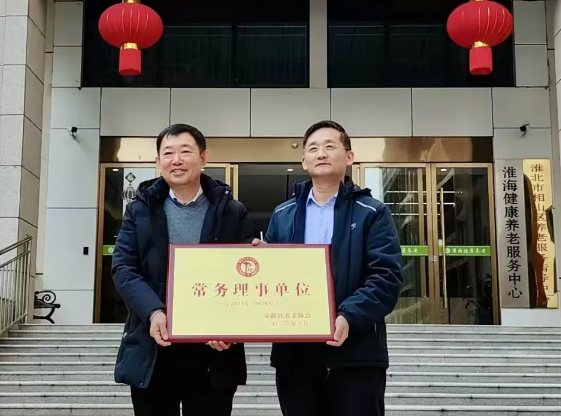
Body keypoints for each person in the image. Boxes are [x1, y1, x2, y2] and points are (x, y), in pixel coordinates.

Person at [261, 120, 402, 416]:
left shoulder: (372, 213)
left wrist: (348, 316)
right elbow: (271, 281)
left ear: (349, 157)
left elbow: (386, 277)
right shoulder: (283, 215)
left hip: (356, 353)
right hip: (295, 357)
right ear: (304, 160)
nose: (321, 153)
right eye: (313, 148)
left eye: (329, 146)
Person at [112, 123, 253, 416]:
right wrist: (153, 311)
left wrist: (230, 326)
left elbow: (242, 277)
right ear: (158, 161)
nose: (176, 160)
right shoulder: (139, 210)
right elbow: (124, 267)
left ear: (203, 158)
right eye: (168, 153)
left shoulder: (232, 211)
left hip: (212, 352)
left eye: (185, 151)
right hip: (154, 345)